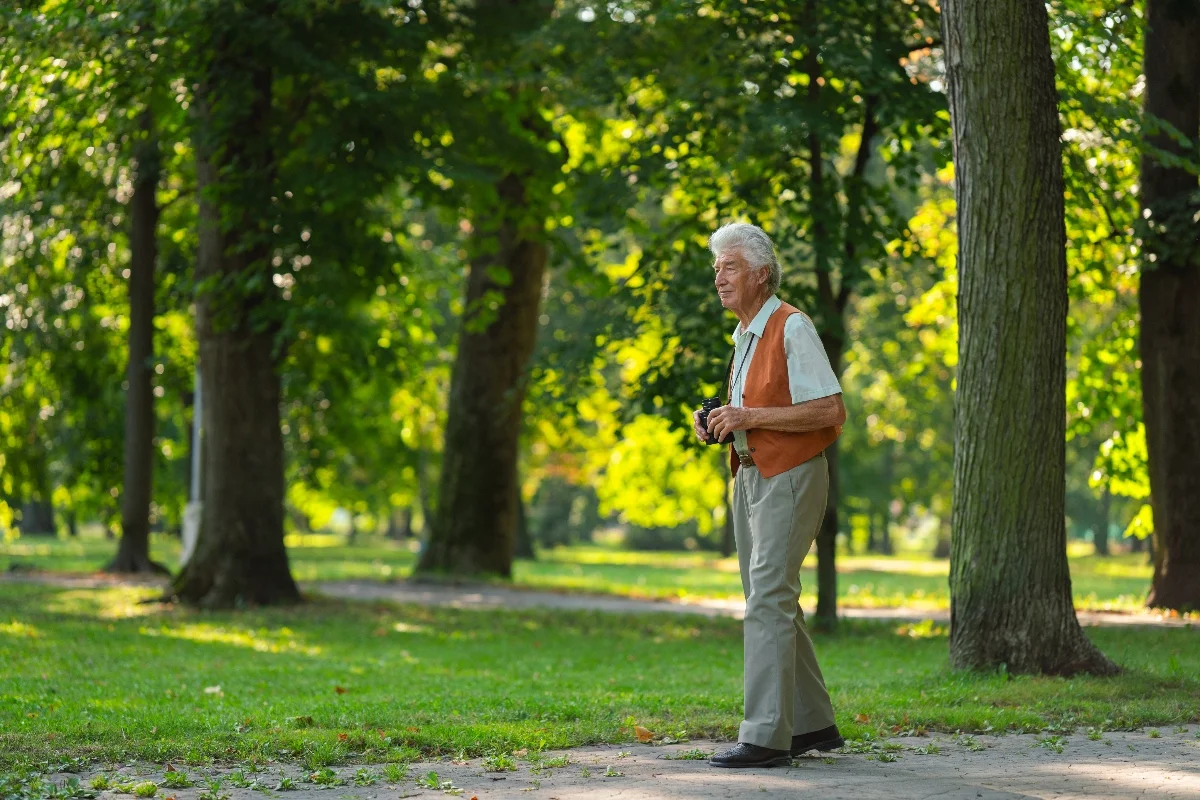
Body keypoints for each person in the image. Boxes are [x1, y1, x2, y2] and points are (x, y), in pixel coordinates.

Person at [692, 222, 847, 769]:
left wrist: (749, 415)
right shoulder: (745, 335)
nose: (719, 277)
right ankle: (813, 725)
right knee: (773, 597)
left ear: (760, 274)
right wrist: (719, 422)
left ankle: (764, 737)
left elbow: (831, 410)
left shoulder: (791, 326)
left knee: (767, 597)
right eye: (716, 268)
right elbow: (751, 412)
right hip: (751, 474)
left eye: (729, 267)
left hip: (791, 474)